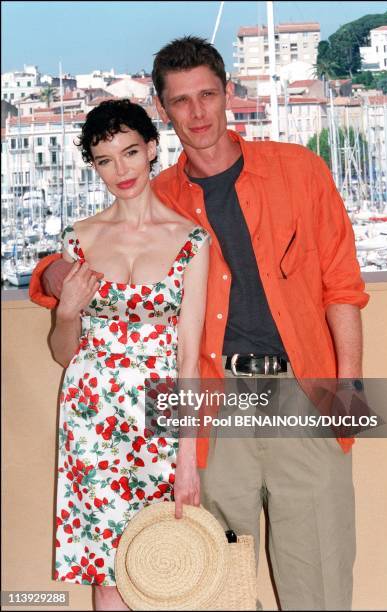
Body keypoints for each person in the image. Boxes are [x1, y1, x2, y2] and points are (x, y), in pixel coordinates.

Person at [29, 37, 369, 611]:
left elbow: (343, 286)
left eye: (208, 94)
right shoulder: (154, 196)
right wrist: (57, 272)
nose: (198, 112)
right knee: (216, 589)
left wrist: (353, 388)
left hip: (304, 394)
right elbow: (78, 256)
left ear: (228, 92)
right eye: (181, 101)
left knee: (322, 582)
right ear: (163, 110)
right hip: (212, 411)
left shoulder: (301, 172)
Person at [46, 99, 210, 611]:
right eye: (105, 160)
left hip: (161, 414)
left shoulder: (192, 241)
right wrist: (67, 312)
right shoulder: (81, 239)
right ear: (94, 167)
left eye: (130, 153)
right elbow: (63, 354)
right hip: (92, 414)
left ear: (153, 149)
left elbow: (188, 356)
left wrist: (188, 458)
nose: (121, 171)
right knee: (108, 569)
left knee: (165, 565)